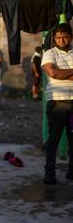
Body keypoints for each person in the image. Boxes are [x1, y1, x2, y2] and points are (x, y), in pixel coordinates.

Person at [41, 23, 73, 185]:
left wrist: (62, 74)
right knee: (53, 139)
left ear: (71, 36)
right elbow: (53, 72)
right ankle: (49, 173)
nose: (62, 40)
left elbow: (59, 73)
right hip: (57, 102)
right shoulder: (49, 53)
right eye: (58, 37)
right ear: (54, 38)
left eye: (65, 36)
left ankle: (71, 171)